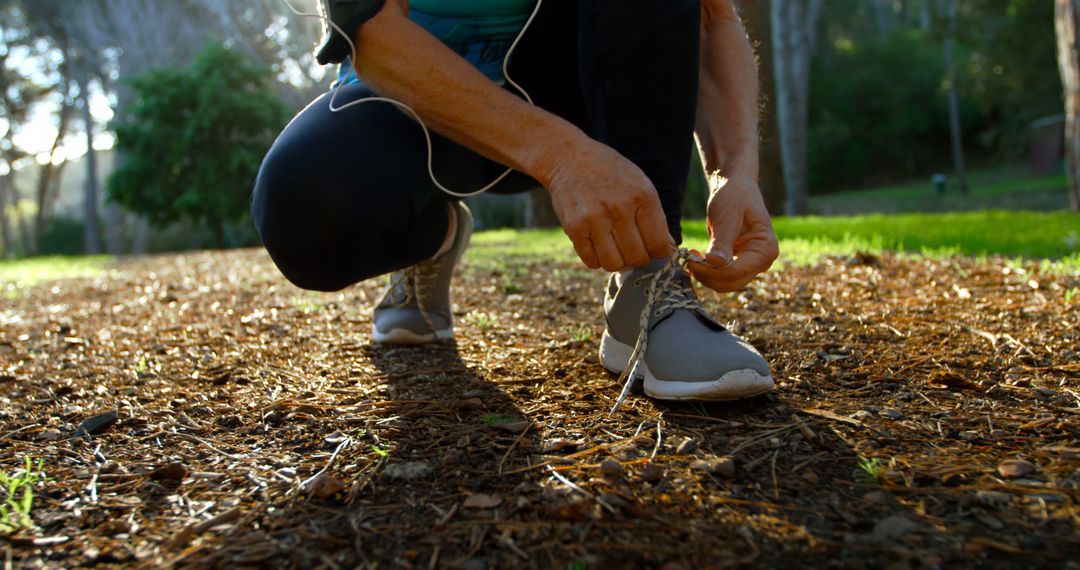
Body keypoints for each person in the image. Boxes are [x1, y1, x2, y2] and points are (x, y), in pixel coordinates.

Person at [251, 0, 780, 403]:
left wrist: (734, 173)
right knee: (304, 208)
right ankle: (431, 237)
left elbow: (710, 16)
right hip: (409, 89)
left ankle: (648, 280)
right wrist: (561, 156)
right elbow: (374, 30)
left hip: (577, 77)